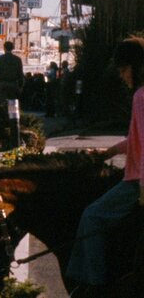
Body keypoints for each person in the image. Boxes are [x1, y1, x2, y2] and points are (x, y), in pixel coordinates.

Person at [66, 37, 144, 290]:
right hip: (135, 178)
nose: (122, 76)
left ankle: (93, 284)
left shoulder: (141, 97)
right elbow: (135, 140)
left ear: (136, 67)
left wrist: (143, 185)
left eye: (123, 69)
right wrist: (106, 153)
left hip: (136, 182)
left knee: (92, 216)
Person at [0, 40, 24, 105]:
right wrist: (21, 85)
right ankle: (11, 115)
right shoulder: (17, 59)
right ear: (12, 48)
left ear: (4, 48)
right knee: (12, 104)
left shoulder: (0, 59)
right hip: (13, 83)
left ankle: (4, 114)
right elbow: (20, 73)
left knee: (3, 102)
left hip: (3, 83)